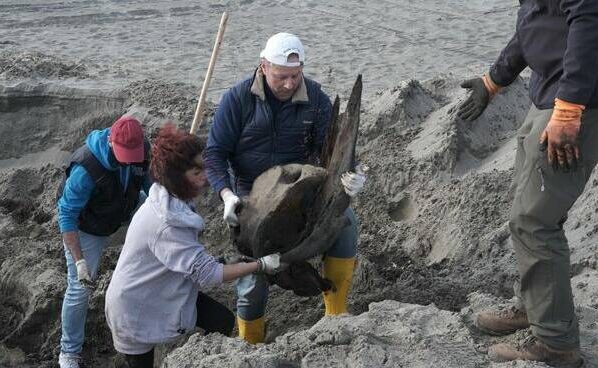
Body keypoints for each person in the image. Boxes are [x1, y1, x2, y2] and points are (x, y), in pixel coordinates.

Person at [458, 0, 598, 365]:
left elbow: (589, 20)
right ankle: (535, 306)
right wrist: (492, 81)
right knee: (526, 206)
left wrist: (569, 108)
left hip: (574, 104)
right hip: (548, 97)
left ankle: (556, 344)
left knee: (535, 220)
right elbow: (536, 22)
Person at [203, 32, 367, 344]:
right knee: (252, 279)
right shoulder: (237, 99)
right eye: (282, 77)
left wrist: (351, 175)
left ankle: (335, 314)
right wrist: (226, 195)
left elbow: (330, 151)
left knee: (347, 224)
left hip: (301, 194)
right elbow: (214, 153)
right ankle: (250, 340)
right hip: (251, 199)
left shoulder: (315, 98)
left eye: (296, 75)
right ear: (263, 67)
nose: (290, 84)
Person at [104, 124, 283, 368]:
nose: (205, 177)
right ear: (176, 177)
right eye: (196, 172)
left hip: (165, 287)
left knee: (221, 321)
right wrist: (259, 265)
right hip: (135, 305)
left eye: (204, 168)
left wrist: (223, 260)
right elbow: (210, 275)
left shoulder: (172, 196)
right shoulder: (166, 223)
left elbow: (191, 259)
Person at [56, 116, 152, 368]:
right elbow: (66, 215)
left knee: (157, 205)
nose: (130, 161)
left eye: (134, 156)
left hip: (124, 205)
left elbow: (152, 187)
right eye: (124, 156)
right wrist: (79, 262)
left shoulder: (142, 151)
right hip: (88, 224)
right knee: (79, 288)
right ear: (111, 143)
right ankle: (69, 352)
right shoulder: (86, 169)